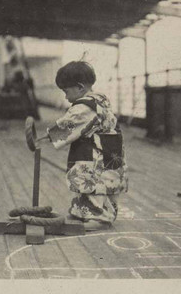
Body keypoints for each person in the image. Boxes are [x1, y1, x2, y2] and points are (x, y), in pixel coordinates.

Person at [46, 61, 128, 228]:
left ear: (80, 87)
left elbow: (68, 124)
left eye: (66, 91)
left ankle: (100, 219)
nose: (66, 97)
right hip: (111, 150)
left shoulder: (84, 108)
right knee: (104, 184)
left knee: (94, 183)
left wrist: (46, 137)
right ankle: (82, 211)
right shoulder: (100, 101)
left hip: (96, 153)